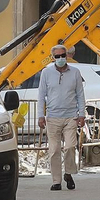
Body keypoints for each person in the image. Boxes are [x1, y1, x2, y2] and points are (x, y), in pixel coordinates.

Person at [35, 44, 84, 191]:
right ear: (53, 58)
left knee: (70, 146)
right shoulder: (46, 73)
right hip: (53, 117)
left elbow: (80, 94)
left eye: (63, 55)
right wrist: (40, 116)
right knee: (54, 149)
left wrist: (81, 114)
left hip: (71, 117)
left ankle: (68, 173)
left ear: (67, 56)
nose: (61, 58)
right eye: (57, 56)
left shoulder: (75, 72)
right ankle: (56, 181)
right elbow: (41, 95)